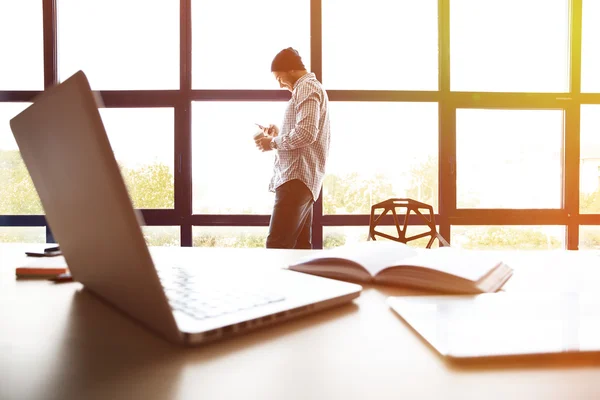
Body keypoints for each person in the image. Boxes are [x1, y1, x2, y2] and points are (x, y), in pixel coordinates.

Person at [254, 47, 330, 249]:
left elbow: (306, 133)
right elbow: (304, 132)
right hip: (303, 179)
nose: (280, 84)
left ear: (291, 70)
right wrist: (278, 133)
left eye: (280, 78)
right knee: (299, 248)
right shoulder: (311, 88)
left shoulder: (306, 88)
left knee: (277, 246)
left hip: (295, 178)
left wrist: (272, 143)